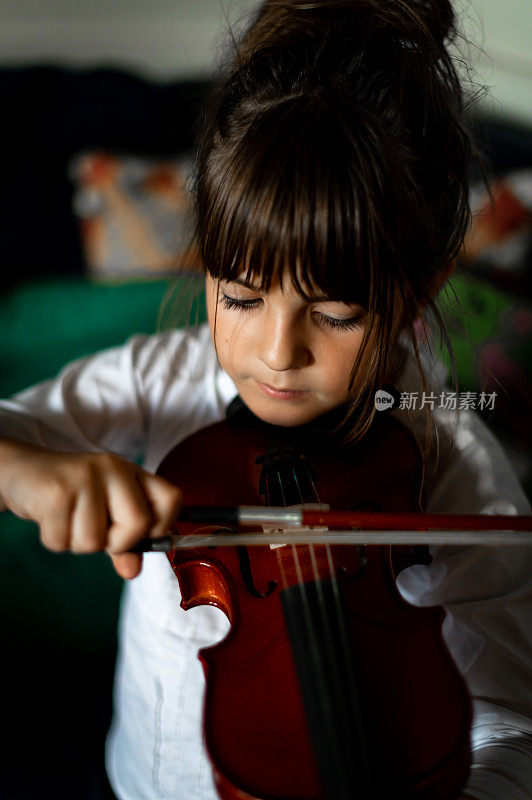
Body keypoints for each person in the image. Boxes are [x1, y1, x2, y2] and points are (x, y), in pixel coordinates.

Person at [0, 1, 530, 798]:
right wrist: (30, 472)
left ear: (417, 291)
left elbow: (508, 726)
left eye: (336, 312)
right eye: (242, 297)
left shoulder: (451, 470)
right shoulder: (159, 381)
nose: (278, 353)